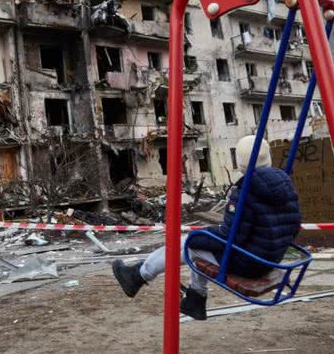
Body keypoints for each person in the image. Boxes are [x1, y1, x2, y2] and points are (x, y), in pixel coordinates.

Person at [112, 135, 301, 320]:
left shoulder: (246, 192)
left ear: (240, 161)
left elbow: (230, 237)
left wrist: (201, 234)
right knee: (201, 246)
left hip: (249, 264)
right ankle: (195, 299)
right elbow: (293, 226)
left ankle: (138, 276)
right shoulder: (285, 185)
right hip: (270, 258)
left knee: (189, 244)